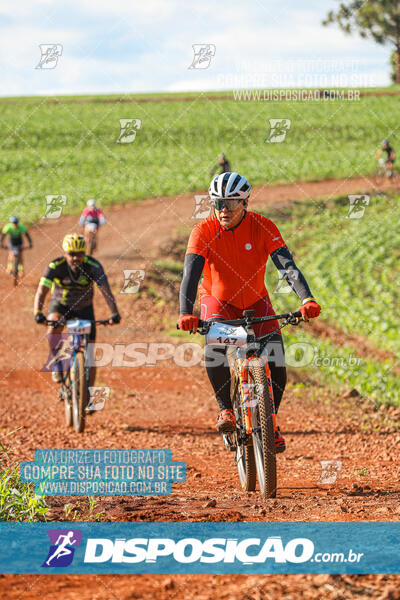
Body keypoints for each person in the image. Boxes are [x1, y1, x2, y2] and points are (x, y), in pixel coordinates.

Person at [177, 172, 321, 453]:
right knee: (216, 347)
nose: (223, 210)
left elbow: (287, 267)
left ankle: (270, 424)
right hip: (219, 302)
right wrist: (186, 311)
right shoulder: (203, 231)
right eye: (217, 203)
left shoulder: (263, 226)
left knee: (277, 368)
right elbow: (190, 275)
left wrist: (307, 299)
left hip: (257, 302)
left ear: (245, 202)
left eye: (230, 203)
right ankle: (226, 410)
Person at [33, 233, 121, 384]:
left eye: (80, 254)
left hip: (84, 308)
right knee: (54, 325)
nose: (76, 258)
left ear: (84, 253)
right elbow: (42, 291)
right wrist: (38, 312)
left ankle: (89, 396)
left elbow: (106, 290)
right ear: (64, 253)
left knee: (90, 355)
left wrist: (114, 313)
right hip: (61, 305)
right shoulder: (55, 266)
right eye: (71, 254)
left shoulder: (93, 266)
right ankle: (57, 363)